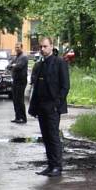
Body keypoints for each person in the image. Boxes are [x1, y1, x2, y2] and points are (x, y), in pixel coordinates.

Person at [29, 36, 70, 177]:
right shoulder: (40, 64)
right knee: (45, 137)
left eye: (45, 46)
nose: (42, 49)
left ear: (51, 46)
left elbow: (65, 86)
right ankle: (50, 165)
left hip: (52, 106)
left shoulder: (60, 63)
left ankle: (57, 166)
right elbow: (36, 87)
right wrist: (33, 107)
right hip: (41, 106)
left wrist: (57, 104)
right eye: (40, 47)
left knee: (53, 136)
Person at [8, 42, 29, 124]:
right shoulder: (16, 57)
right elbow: (9, 66)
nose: (17, 49)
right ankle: (17, 117)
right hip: (15, 80)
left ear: (21, 48)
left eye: (18, 47)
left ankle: (23, 118)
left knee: (20, 100)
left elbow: (18, 66)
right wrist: (13, 65)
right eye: (16, 47)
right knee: (15, 100)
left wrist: (13, 65)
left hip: (21, 81)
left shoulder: (24, 57)